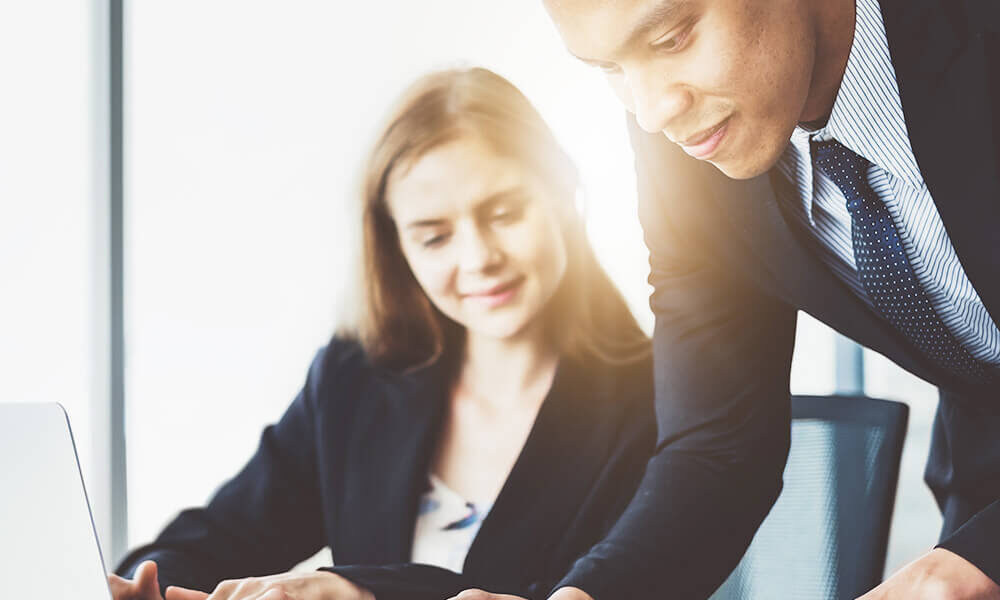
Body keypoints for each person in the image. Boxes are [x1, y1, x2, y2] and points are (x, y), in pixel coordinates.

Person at [464, 0, 999, 598]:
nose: (652, 111)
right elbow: (720, 444)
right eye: (609, 68)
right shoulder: (687, 140)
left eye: (670, 40)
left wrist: (976, 563)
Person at [107, 67, 654, 600]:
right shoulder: (356, 378)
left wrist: (363, 590)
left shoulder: (660, 404)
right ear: (398, 249)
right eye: (434, 237)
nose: (479, 257)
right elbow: (218, 540)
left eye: (505, 213)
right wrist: (139, 587)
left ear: (562, 196)